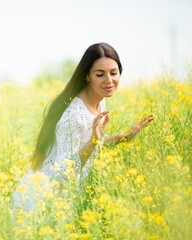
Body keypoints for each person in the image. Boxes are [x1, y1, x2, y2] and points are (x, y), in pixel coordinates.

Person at [11, 42, 155, 212]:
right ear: (87, 76)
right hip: (39, 200)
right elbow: (64, 170)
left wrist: (127, 135)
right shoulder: (74, 115)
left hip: (62, 197)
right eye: (100, 74)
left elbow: (91, 143)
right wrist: (94, 141)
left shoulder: (100, 100)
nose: (109, 80)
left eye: (114, 73)